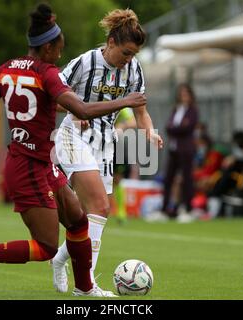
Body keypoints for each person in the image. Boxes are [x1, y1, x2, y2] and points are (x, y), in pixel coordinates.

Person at [0, 4, 146, 297]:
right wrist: (125, 101)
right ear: (47, 47)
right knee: (46, 247)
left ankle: (84, 289)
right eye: (59, 48)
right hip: (28, 167)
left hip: (42, 163)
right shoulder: (47, 74)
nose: (61, 54)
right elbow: (82, 109)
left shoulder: (6, 69)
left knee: (78, 220)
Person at [50, 8, 163, 293]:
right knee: (99, 206)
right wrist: (77, 109)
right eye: (126, 52)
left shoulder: (134, 69)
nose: (130, 59)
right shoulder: (84, 63)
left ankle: (60, 259)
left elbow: (140, 111)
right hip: (73, 136)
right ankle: (86, 287)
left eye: (134, 54)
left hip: (104, 143)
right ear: (111, 42)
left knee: (96, 215)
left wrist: (149, 131)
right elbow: (51, 98)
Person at [145, 84, 198, 223]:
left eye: (186, 94)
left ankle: (188, 209)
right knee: (168, 179)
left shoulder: (193, 111)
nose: (183, 96)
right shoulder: (176, 109)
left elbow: (187, 128)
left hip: (186, 149)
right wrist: (177, 128)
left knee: (187, 179)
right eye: (181, 94)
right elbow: (169, 127)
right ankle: (164, 210)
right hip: (174, 149)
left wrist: (176, 128)